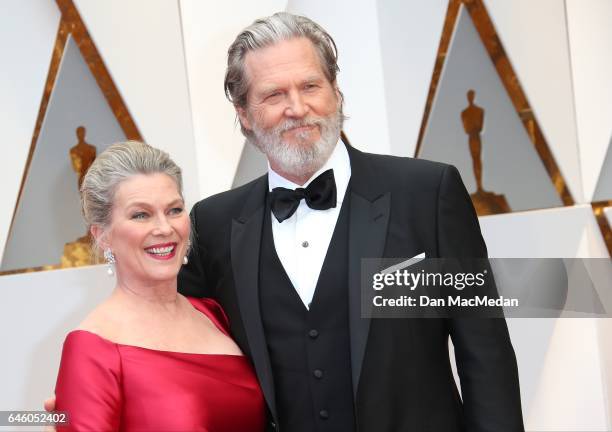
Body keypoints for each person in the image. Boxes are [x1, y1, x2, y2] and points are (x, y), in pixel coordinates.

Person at [177, 12, 524, 432]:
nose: (297, 108)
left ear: (336, 92)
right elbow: (187, 366)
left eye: (310, 86)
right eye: (273, 95)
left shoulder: (428, 194)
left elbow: (486, 355)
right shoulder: (213, 224)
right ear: (245, 114)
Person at [53, 141, 265, 431]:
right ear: (102, 236)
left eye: (174, 210)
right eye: (141, 214)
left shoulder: (214, 313)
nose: (165, 228)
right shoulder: (91, 348)